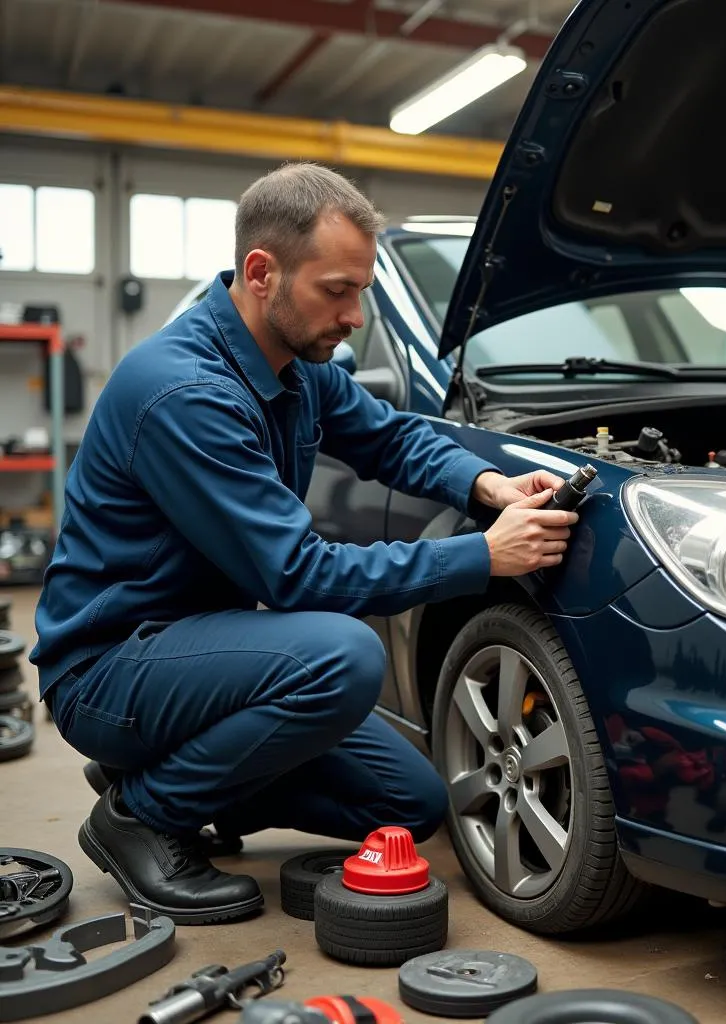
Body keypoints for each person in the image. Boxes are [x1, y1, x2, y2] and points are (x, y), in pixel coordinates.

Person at [29, 162, 578, 926]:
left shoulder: (294, 366)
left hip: (196, 652)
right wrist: (482, 555)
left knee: (410, 803)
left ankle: (166, 772)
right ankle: (144, 816)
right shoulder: (186, 393)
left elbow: (389, 439)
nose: (354, 315)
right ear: (262, 273)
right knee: (343, 654)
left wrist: (485, 486)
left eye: (362, 290)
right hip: (111, 664)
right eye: (338, 289)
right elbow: (297, 575)